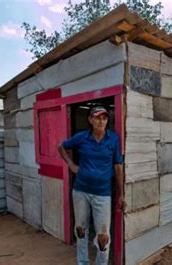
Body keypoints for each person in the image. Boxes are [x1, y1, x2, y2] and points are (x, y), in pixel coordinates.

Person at [58, 105, 125, 265]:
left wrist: (121, 193)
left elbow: (118, 166)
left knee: (103, 236)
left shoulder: (113, 139)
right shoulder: (82, 137)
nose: (101, 121)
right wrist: (71, 165)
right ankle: (82, 262)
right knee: (81, 230)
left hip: (103, 193)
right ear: (90, 120)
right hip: (80, 191)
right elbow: (61, 147)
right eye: (97, 118)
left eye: (104, 118)